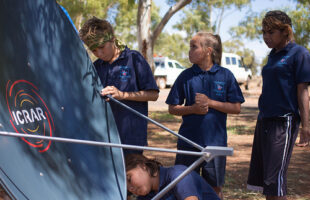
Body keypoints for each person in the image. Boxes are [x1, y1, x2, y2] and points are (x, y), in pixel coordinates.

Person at [165, 32, 244, 199]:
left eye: (194, 47)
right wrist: (192, 109)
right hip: (188, 142)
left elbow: (236, 107)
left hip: (215, 145)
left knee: (214, 188)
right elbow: (172, 108)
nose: (189, 50)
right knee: (183, 185)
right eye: (190, 46)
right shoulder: (186, 76)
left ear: (208, 51)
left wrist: (210, 102)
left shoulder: (225, 75)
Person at [247, 10, 310, 200]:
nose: (266, 37)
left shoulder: (299, 54)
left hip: (284, 122)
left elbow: (303, 92)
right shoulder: (272, 55)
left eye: (271, 32)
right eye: (264, 32)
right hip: (264, 120)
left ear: (285, 31)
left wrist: (306, 126)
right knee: (267, 182)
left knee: (276, 182)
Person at [79, 17, 159, 154]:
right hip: (104, 138)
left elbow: (154, 95)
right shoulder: (96, 67)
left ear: (112, 39)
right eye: (94, 51)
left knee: (131, 174)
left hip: (131, 138)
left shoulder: (134, 59)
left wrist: (123, 95)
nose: (99, 53)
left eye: (102, 48)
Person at [125, 154, 220, 200]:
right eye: (127, 188)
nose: (131, 188)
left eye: (129, 179)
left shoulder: (178, 175)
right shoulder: (146, 196)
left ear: (142, 165)